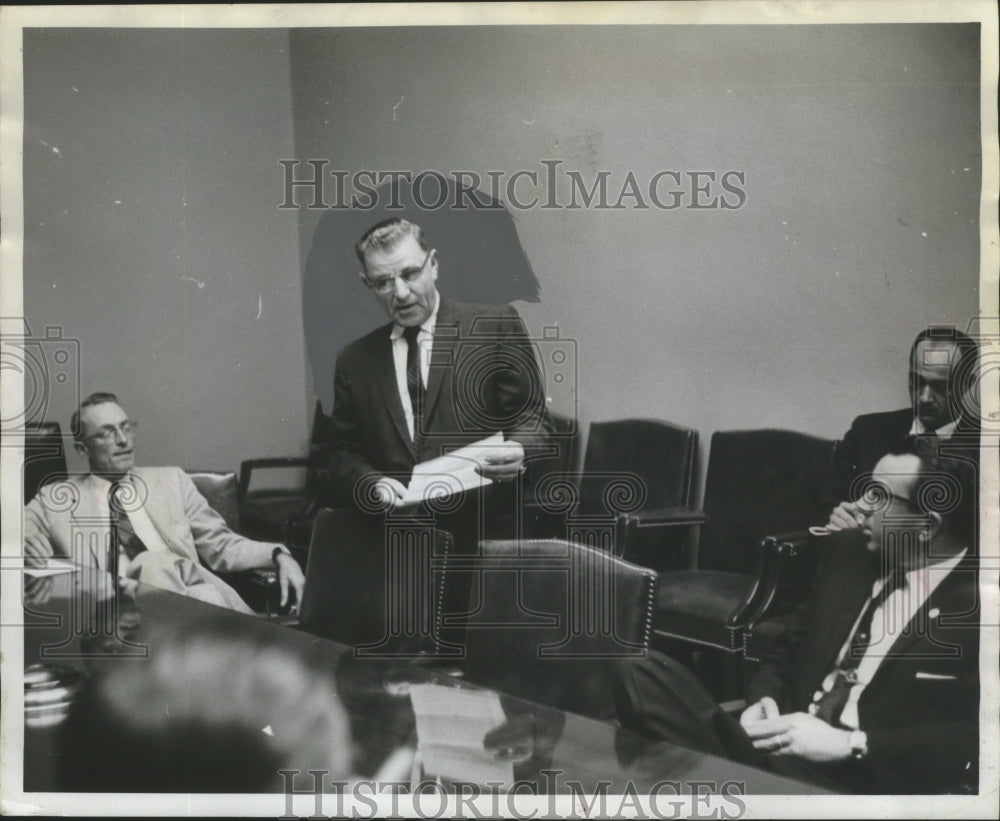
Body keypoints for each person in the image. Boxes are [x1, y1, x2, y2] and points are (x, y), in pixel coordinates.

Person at [615, 438, 979, 794]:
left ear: (927, 525)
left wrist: (850, 742)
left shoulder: (979, 610)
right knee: (639, 671)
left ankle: (733, 775)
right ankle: (742, 775)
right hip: (777, 747)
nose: (859, 507)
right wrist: (763, 700)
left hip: (855, 780)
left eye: (879, 497)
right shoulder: (847, 553)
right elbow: (785, 654)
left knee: (685, 753)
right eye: (867, 490)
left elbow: (970, 739)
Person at [328, 217, 549, 517]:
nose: (401, 292)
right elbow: (343, 452)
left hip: (482, 532)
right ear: (368, 284)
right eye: (384, 282)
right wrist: (371, 483)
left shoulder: (493, 326)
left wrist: (517, 449)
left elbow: (533, 419)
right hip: (397, 538)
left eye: (410, 273)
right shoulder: (354, 361)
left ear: (433, 265)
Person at [23, 392, 305, 613]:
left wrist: (280, 554)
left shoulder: (172, 481)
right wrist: (21, 542)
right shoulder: (55, 498)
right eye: (107, 433)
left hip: (191, 599)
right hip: (113, 613)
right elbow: (10, 527)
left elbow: (222, 544)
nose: (123, 440)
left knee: (192, 587)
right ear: (83, 448)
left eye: (126, 427)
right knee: (154, 565)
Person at [824, 327, 979, 532]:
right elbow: (826, 506)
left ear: (967, 384)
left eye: (941, 387)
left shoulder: (989, 449)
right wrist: (839, 517)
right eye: (917, 381)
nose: (924, 398)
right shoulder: (867, 431)